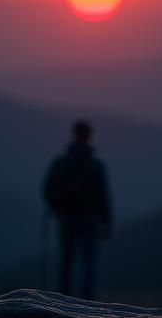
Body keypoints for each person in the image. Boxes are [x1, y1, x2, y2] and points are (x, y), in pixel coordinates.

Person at [43, 120, 113, 300]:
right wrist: (107, 221)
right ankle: (87, 302)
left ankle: (63, 299)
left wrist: (56, 208)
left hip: (66, 217)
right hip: (90, 218)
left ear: (73, 135)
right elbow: (103, 195)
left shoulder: (61, 162)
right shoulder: (96, 166)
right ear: (90, 137)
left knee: (66, 260)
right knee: (88, 262)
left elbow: (47, 188)